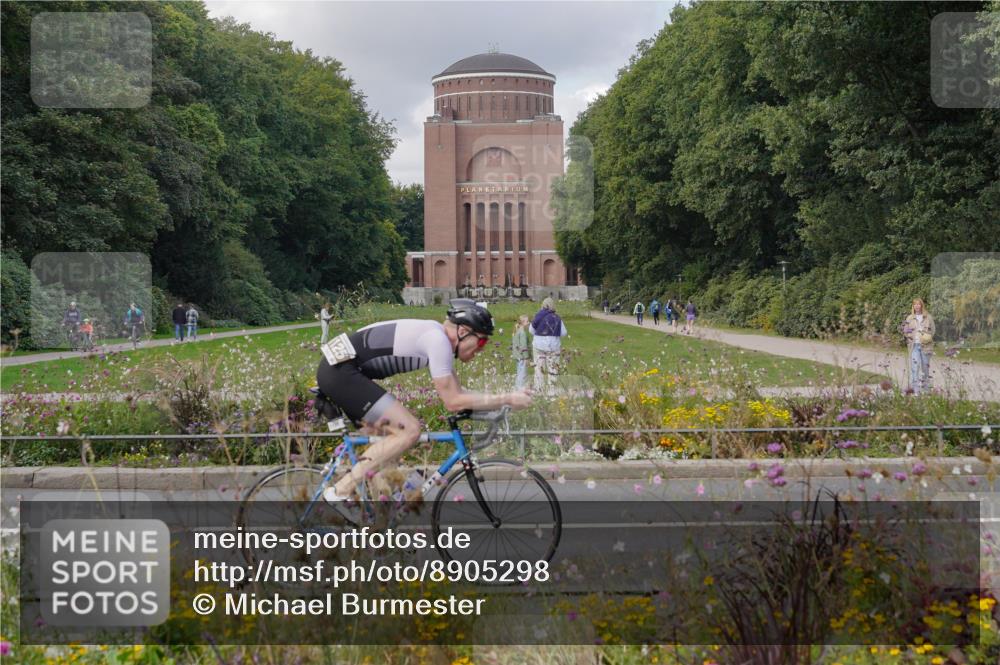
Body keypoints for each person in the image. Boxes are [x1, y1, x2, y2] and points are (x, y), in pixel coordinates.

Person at [319, 299, 531, 504]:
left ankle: (375, 517)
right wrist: (509, 399)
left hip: (341, 368)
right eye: (482, 341)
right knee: (410, 430)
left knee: (391, 448)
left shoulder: (435, 336)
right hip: (341, 372)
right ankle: (341, 490)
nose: (482, 348)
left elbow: (459, 393)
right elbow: (454, 401)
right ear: (464, 332)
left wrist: (500, 403)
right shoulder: (437, 341)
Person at [529, 297, 568, 393]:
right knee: (553, 368)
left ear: (543, 305)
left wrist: (540, 334)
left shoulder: (538, 316)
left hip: (538, 346)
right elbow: (564, 333)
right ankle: (552, 391)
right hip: (553, 346)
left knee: (539, 368)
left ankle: (539, 389)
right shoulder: (557, 318)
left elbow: (531, 330)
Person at [902, 298, 935, 395]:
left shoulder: (928, 317)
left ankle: (926, 390)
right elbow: (905, 331)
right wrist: (909, 336)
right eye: (915, 304)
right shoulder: (909, 318)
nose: (917, 306)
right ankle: (914, 390)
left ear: (922, 305)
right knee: (914, 368)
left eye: (918, 304)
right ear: (913, 306)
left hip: (925, 346)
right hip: (914, 346)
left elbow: (933, 330)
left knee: (925, 368)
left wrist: (927, 337)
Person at [512, 314, 531, 390]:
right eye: (527, 321)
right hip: (522, 356)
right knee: (522, 374)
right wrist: (526, 357)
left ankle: (517, 387)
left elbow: (516, 344)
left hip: (517, 355)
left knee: (519, 372)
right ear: (522, 323)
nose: (529, 323)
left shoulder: (517, 331)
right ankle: (520, 389)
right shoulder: (522, 333)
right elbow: (523, 346)